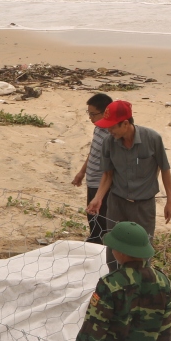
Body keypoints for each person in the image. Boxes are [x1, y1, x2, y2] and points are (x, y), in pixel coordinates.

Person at [85, 100, 171, 270]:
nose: (108, 131)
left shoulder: (152, 139)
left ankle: (140, 286)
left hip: (143, 206)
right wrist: (98, 198)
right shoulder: (109, 143)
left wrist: (170, 201)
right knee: (113, 248)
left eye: (112, 127)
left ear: (125, 124)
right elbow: (108, 174)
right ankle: (115, 282)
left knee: (142, 250)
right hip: (117, 203)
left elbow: (165, 169)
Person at [72, 221, 171, 341]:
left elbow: (95, 327)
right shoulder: (163, 281)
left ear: (121, 252)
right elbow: (165, 327)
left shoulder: (110, 284)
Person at [72, 93, 114, 244]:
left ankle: (99, 248)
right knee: (92, 218)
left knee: (101, 221)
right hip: (91, 181)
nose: (90, 118)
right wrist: (82, 172)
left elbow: (110, 170)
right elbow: (93, 151)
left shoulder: (111, 134)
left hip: (101, 185)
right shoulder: (98, 128)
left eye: (93, 114)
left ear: (105, 113)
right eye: (88, 114)